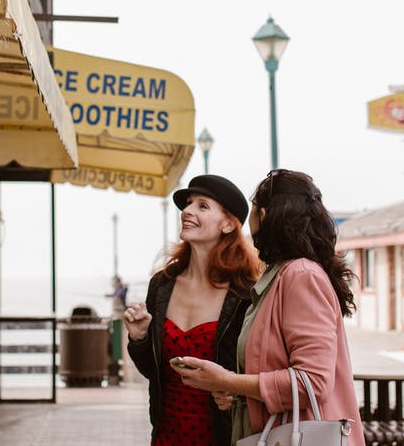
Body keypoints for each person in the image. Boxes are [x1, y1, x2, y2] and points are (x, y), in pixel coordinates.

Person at [172, 169, 364, 446]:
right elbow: (276, 367)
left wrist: (228, 381)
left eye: (251, 211)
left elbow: (313, 382)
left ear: (263, 216)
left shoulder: (300, 275)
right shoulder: (282, 275)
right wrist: (235, 391)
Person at [123, 174, 262, 446]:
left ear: (227, 224)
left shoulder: (245, 294)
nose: (186, 211)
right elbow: (154, 371)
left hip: (223, 436)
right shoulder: (161, 285)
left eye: (202, 206)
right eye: (188, 204)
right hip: (166, 435)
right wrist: (139, 338)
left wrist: (235, 391)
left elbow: (260, 370)